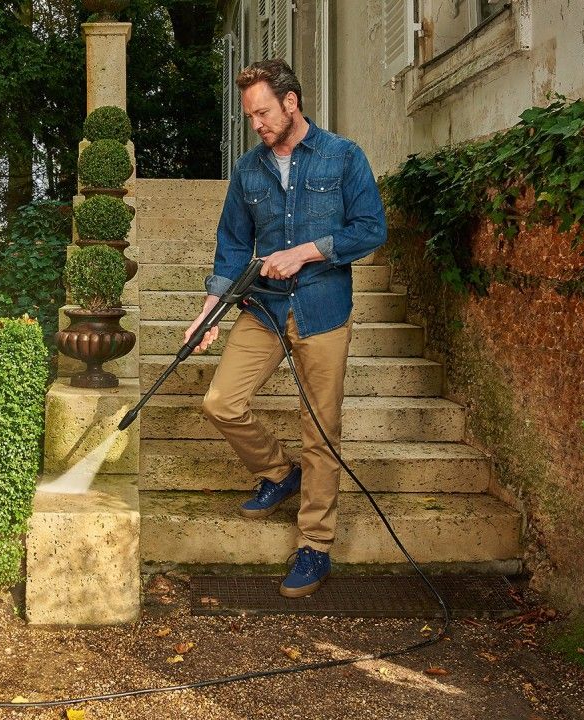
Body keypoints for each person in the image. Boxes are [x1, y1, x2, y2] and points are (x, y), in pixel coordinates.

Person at [185, 59, 387, 598]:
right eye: (250, 115)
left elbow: (371, 229)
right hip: (265, 310)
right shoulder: (249, 171)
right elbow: (231, 246)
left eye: (263, 112)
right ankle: (278, 472)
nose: (257, 123)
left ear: (291, 101)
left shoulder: (344, 158)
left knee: (321, 432)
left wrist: (307, 252)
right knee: (222, 401)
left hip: (323, 310)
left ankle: (315, 546)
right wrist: (209, 310)